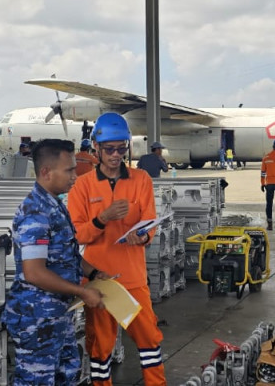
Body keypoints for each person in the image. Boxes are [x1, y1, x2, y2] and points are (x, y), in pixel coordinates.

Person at [68, 113, 166, 386]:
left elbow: (150, 222)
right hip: (99, 281)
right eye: (109, 149)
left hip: (134, 279)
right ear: (96, 149)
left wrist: (143, 235)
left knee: (149, 341)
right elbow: (76, 234)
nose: (115, 155)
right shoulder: (82, 187)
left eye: (121, 148)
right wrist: (103, 218)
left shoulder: (141, 180)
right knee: (100, 348)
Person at [1, 139, 108, 385]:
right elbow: (34, 273)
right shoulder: (35, 212)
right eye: (69, 170)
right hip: (36, 318)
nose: (75, 176)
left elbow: (65, 255)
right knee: (37, 381)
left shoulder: (54, 205)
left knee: (67, 374)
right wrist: (82, 291)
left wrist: (93, 273)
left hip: (57, 313)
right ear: (46, 172)